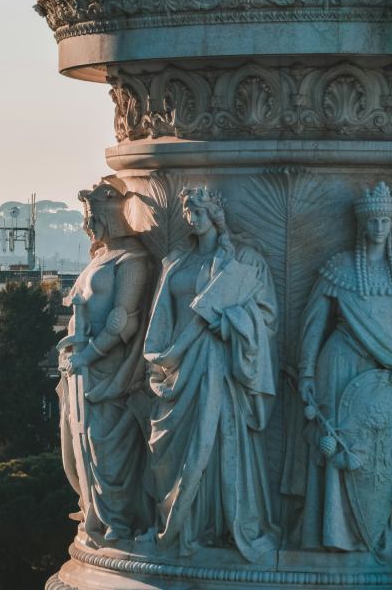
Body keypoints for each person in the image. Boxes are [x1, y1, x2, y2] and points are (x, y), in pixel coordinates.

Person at [289, 182, 392, 558]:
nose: (378, 227)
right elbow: (313, 325)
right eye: (372, 220)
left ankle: (381, 530)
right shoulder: (339, 269)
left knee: (384, 457)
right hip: (339, 367)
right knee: (336, 447)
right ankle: (335, 533)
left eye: (385, 220)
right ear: (362, 224)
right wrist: (307, 373)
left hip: (389, 383)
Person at [141, 186, 279, 561]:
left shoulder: (243, 260)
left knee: (216, 443)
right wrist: (159, 360)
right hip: (177, 366)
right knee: (174, 452)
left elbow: (266, 317)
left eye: (199, 211)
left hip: (218, 365)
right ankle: (179, 527)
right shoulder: (176, 261)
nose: (192, 218)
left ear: (216, 215)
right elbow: (160, 318)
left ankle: (212, 527)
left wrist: (229, 322)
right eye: (188, 211)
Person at [57, 178, 152, 543]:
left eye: (92, 219)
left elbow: (123, 322)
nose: (87, 226)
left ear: (109, 218)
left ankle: (119, 523)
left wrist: (89, 355)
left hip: (107, 371)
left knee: (104, 447)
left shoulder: (133, 261)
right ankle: (94, 513)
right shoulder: (101, 257)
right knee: (78, 446)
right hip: (79, 368)